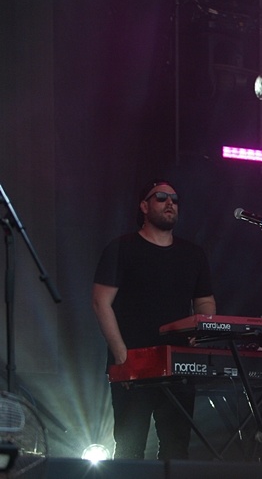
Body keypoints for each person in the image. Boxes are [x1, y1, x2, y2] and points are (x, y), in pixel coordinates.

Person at [92, 178, 217, 459]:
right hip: (134, 361)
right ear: (144, 206)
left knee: (176, 449)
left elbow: (205, 300)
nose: (170, 202)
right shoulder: (122, 248)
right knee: (130, 448)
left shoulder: (193, 254)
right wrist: (121, 355)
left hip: (179, 363)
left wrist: (201, 328)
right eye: (161, 197)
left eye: (174, 199)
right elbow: (101, 302)